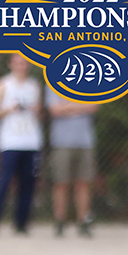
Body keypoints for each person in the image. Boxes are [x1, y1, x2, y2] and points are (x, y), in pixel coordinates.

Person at [0, 54, 42, 237]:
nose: (21, 66)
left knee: (28, 184)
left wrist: (35, 110)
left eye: (24, 63)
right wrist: (9, 109)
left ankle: (21, 223)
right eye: (17, 62)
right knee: (5, 181)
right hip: (10, 142)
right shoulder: (3, 85)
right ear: (10, 64)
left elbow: (40, 114)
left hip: (31, 142)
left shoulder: (34, 86)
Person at [46, 87, 98, 237]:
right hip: (61, 142)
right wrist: (81, 106)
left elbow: (93, 107)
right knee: (61, 183)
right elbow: (54, 110)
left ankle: (83, 222)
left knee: (83, 183)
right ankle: (60, 222)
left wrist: (67, 107)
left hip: (85, 142)